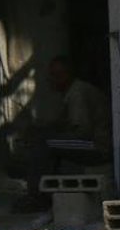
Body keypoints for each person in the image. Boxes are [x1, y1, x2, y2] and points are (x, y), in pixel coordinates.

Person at [12, 55, 112, 210]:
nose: (52, 80)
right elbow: (63, 125)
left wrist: (52, 136)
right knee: (45, 140)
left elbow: (81, 132)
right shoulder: (73, 92)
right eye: (51, 75)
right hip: (94, 143)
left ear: (67, 75)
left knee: (44, 143)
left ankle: (36, 197)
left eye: (56, 75)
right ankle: (44, 193)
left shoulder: (77, 93)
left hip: (98, 146)